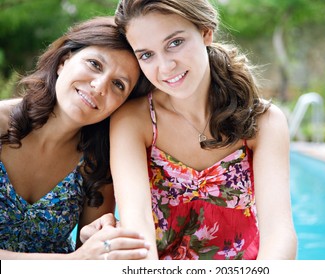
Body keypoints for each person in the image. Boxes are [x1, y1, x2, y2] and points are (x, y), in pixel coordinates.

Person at [109, 0, 297, 260]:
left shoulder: (264, 122)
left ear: (206, 32)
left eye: (175, 43)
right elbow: (136, 231)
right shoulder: (133, 121)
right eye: (146, 55)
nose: (165, 67)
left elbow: (279, 233)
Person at [0, 16, 152, 260]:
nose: (100, 86)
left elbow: (91, 255)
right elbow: (79, 262)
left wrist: (93, 238)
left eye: (118, 85)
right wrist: (70, 263)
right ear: (63, 61)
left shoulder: (97, 161)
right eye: (94, 64)